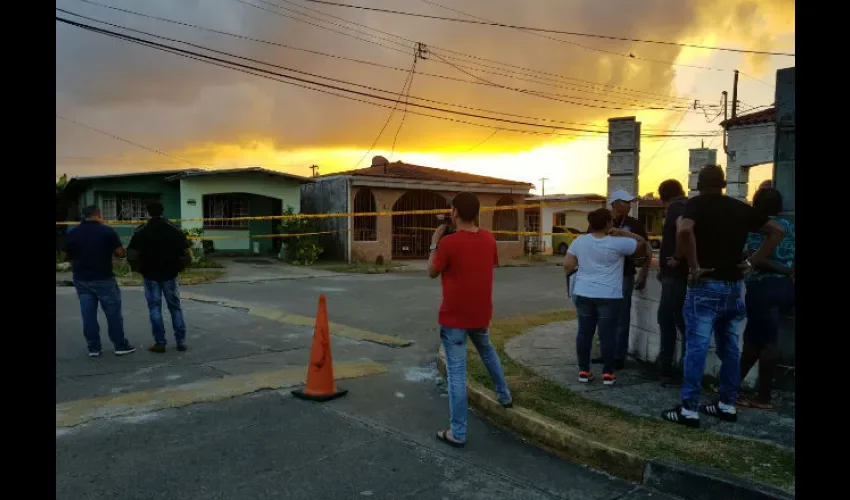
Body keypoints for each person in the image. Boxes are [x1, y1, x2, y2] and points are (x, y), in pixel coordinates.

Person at [662, 166, 785, 428]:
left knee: (696, 347)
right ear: (724, 183)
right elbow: (777, 231)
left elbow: (684, 231)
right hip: (733, 287)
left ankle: (689, 409)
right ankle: (727, 404)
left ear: (698, 183)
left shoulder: (696, 205)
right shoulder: (738, 207)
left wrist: (693, 265)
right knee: (730, 348)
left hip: (705, 286)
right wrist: (752, 263)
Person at [429, 192, 512, 448]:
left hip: (454, 316)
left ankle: (458, 432)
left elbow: (432, 271)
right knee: (487, 351)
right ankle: (504, 395)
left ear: (454, 212)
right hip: (480, 313)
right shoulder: (488, 238)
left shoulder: (448, 243)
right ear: (477, 213)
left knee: (456, 374)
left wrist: (434, 243)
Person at [566, 208, 651, 384]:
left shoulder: (579, 241)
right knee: (608, 334)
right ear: (608, 223)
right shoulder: (619, 243)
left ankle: (583, 371)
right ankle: (608, 373)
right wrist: (621, 232)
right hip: (609, 295)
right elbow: (642, 243)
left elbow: (568, 264)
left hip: (583, 292)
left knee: (584, 333)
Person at [738, 188, 794, 411]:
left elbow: (754, 258)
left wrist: (779, 269)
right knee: (755, 339)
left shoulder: (757, 227)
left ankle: (763, 397)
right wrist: (787, 271)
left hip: (764, 287)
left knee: (764, 343)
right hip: (786, 289)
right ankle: (732, 386)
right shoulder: (789, 226)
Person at [62, 205, 136, 357]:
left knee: (88, 315)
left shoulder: (72, 232)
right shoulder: (107, 231)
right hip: (104, 278)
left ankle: (93, 348)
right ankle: (120, 345)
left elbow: (64, 256)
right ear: (98, 214)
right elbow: (120, 253)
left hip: (81, 279)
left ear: (84, 216)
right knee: (113, 314)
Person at [588, 190, 650, 370]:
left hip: (625, 275)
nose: (629, 206)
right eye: (626, 202)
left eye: (630, 203)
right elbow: (590, 241)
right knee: (603, 315)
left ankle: (618, 356)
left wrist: (644, 272)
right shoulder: (601, 221)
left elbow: (645, 248)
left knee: (622, 316)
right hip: (603, 275)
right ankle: (605, 353)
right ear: (615, 204)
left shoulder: (634, 224)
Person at [127, 200, 192, 353]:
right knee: (175, 308)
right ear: (163, 211)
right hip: (170, 274)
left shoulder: (141, 231)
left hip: (150, 275)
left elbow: (131, 254)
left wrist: (139, 269)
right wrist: (179, 268)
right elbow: (188, 254)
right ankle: (181, 341)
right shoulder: (174, 229)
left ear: (147, 212)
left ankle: (160, 342)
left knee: (154, 308)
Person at [656, 179, 689, 383]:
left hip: (675, 276)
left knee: (666, 319)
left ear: (663, 198)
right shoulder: (691, 205)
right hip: (686, 275)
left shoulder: (676, 208)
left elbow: (681, 230)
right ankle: (685, 367)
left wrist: (676, 257)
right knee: (685, 324)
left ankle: (667, 366)